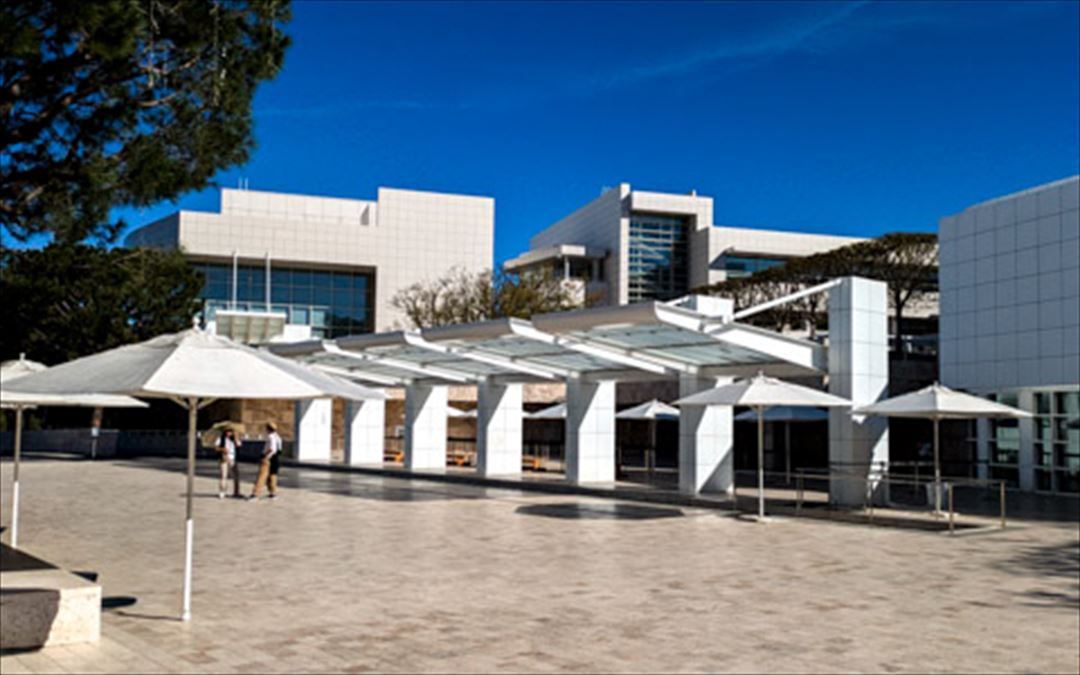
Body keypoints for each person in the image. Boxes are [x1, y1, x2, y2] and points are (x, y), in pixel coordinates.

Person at [249, 422, 283, 500]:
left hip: (268, 458)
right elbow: (279, 449)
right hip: (275, 458)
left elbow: (272, 449)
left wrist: (265, 456)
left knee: (262, 476)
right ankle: (273, 492)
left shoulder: (270, 437)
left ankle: (255, 494)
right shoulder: (278, 437)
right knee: (272, 476)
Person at [216, 428, 240, 499]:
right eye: (228, 431)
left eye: (231, 431)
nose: (230, 433)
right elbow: (216, 447)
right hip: (224, 458)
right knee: (223, 475)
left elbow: (238, 445)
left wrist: (236, 437)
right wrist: (222, 449)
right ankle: (222, 492)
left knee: (236, 476)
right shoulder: (221, 439)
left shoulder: (233, 439)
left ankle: (236, 492)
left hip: (233, 458)